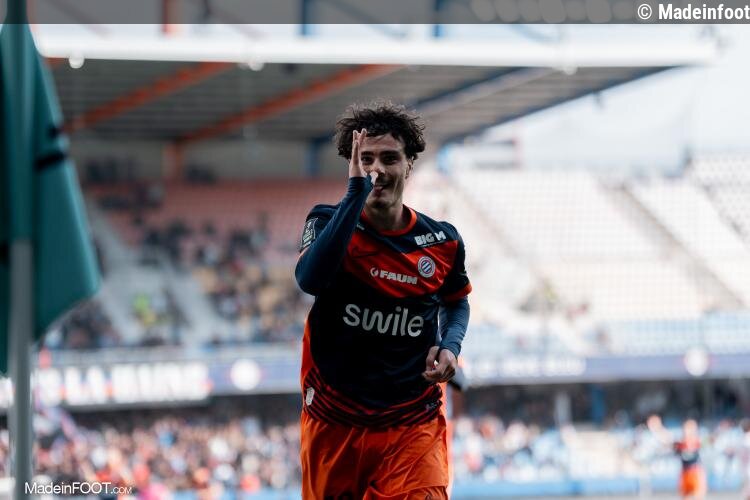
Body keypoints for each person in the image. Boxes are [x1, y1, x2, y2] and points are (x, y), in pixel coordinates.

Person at [295, 102, 471, 499]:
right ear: (353, 165)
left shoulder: (442, 241)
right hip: (334, 420)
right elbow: (310, 279)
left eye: (390, 158)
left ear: (409, 165)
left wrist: (450, 346)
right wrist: (354, 195)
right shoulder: (325, 221)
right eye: (366, 159)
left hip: (413, 423)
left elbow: (456, 302)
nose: (378, 169)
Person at [647, 415, 706, 500]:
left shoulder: (698, 442)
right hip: (685, 472)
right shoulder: (680, 444)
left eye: (690, 428)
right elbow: (667, 441)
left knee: (698, 496)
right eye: (686, 428)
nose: (687, 431)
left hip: (696, 472)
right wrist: (658, 428)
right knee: (686, 496)